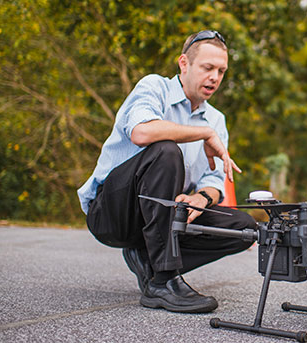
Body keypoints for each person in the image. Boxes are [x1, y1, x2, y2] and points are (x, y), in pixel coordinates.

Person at [77, 30, 256, 314]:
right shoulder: (154, 86)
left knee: (245, 228)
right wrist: (202, 134)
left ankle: (149, 258)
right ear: (183, 64)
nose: (215, 77)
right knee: (166, 150)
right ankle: (163, 280)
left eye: (221, 71)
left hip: (163, 218)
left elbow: (213, 180)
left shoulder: (217, 120)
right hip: (114, 213)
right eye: (207, 68)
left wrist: (202, 199)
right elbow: (141, 132)